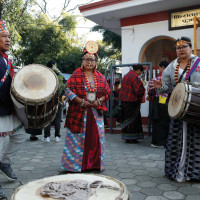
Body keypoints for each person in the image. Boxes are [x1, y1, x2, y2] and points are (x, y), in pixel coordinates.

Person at [149, 36, 200, 182]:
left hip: (196, 109)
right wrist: (160, 87)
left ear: (191, 47)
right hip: (177, 109)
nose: (181, 49)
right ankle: (175, 171)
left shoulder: (198, 62)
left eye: (184, 46)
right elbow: (165, 87)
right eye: (178, 47)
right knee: (176, 139)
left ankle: (194, 174)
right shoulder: (171, 67)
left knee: (196, 140)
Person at [60, 41, 110, 172]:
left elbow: (107, 92)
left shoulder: (100, 76)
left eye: (92, 60)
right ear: (82, 61)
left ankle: (94, 165)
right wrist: (81, 102)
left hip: (95, 113)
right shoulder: (76, 74)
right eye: (87, 59)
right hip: (79, 112)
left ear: (96, 62)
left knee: (95, 139)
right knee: (77, 139)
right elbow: (68, 91)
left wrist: (98, 101)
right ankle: (74, 166)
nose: (89, 62)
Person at [0, 20, 27, 199]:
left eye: (9, 37)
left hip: (7, 108)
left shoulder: (5, 59)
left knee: (21, 135)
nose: (8, 40)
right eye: (4, 36)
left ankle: (3, 162)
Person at [119, 64, 145, 144]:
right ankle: (132, 138)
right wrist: (141, 93)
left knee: (126, 119)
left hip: (124, 101)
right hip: (132, 101)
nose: (140, 73)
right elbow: (138, 90)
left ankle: (127, 137)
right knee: (134, 120)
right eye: (140, 72)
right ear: (138, 70)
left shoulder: (126, 76)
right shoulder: (134, 77)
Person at [148, 60, 170, 148]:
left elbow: (150, 86)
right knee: (166, 122)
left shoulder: (161, 77)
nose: (159, 69)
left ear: (163, 67)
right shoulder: (170, 77)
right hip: (168, 101)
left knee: (159, 122)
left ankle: (158, 142)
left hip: (160, 101)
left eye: (160, 67)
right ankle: (165, 142)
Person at [42, 60, 65, 143]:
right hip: (58, 100)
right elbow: (64, 88)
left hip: (47, 101)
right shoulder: (59, 75)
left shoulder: (45, 75)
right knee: (57, 119)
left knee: (47, 119)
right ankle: (57, 137)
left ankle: (47, 137)